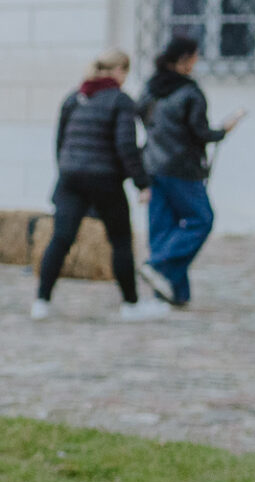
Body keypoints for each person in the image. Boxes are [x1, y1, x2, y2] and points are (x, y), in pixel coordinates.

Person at [32, 51, 166, 322]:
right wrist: (141, 182)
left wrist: (67, 169)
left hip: (71, 177)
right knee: (120, 240)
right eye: (125, 72)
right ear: (118, 70)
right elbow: (126, 146)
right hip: (105, 179)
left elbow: (60, 142)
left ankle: (41, 302)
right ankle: (131, 305)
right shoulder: (120, 100)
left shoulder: (74, 98)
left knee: (61, 238)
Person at [136, 36, 240, 309]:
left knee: (163, 227)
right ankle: (157, 265)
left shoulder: (151, 89)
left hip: (152, 164)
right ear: (184, 59)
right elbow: (200, 132)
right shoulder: (189, 93)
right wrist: (225, 129)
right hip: (181, 168)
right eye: (194, 56)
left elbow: (143, 119)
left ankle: (173, 292)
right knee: (201, 219)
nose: (197, 61)